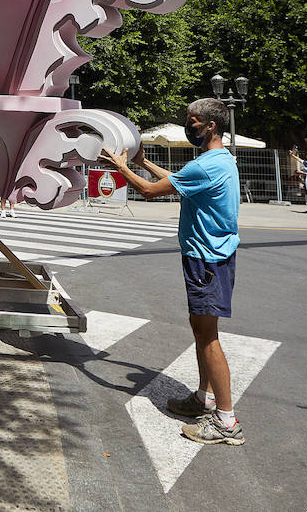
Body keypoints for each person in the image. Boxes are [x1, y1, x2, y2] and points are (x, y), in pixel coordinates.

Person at [100, 98, 245, 446]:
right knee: (200, 328)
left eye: (193, 121)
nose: (188, 125)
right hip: (213, 258)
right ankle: (203, 398)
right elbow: (177, 182)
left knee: (208, 335)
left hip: (206, 260)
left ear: (210, 126)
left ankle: (226, 421)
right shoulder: (219, 161)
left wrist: (121, 166)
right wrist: (144, 161)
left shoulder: (207, 166)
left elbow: (149, 191)